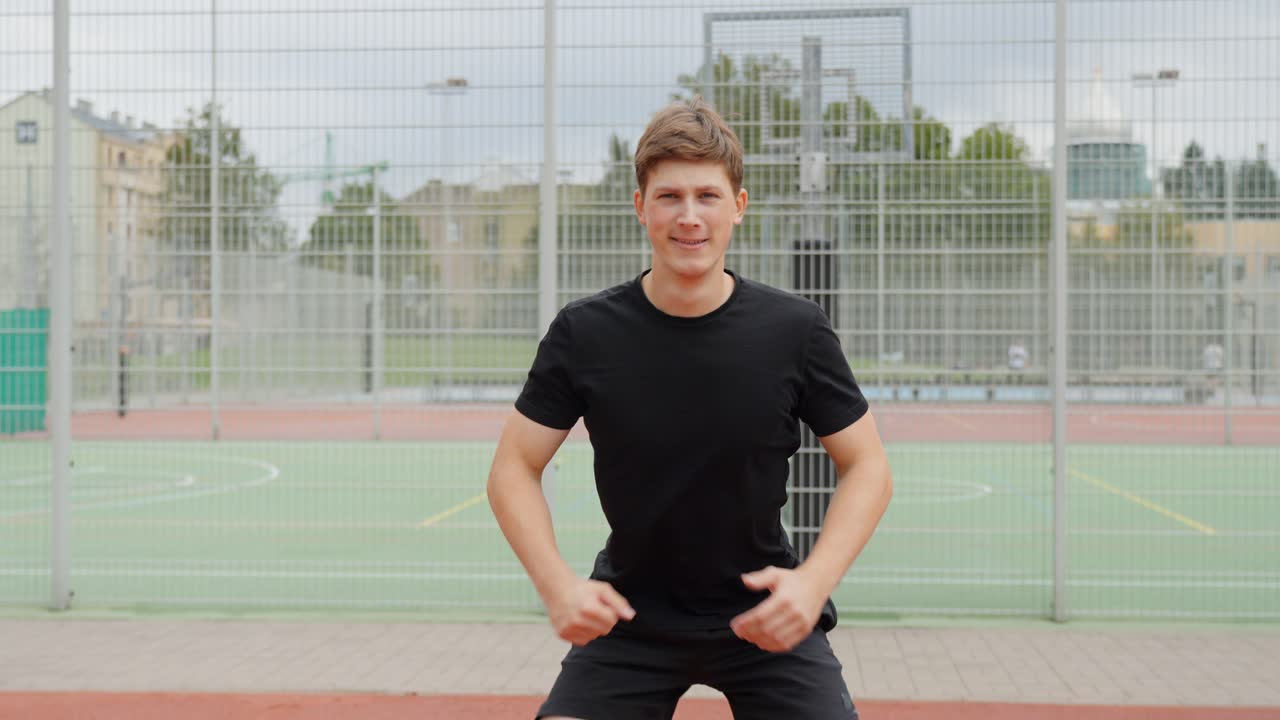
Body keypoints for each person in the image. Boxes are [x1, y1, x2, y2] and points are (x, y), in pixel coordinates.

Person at [487, 96, 893, 720]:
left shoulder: (796, 330)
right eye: (669, 197)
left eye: (707, 196)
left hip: (764, 612)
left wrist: (812, 585)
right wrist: (558, 587)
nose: (689, 217)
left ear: (738, 206)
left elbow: (867, 465)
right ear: (640, 207)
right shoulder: (585, 332)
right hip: (629, 616)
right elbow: (513, 464)